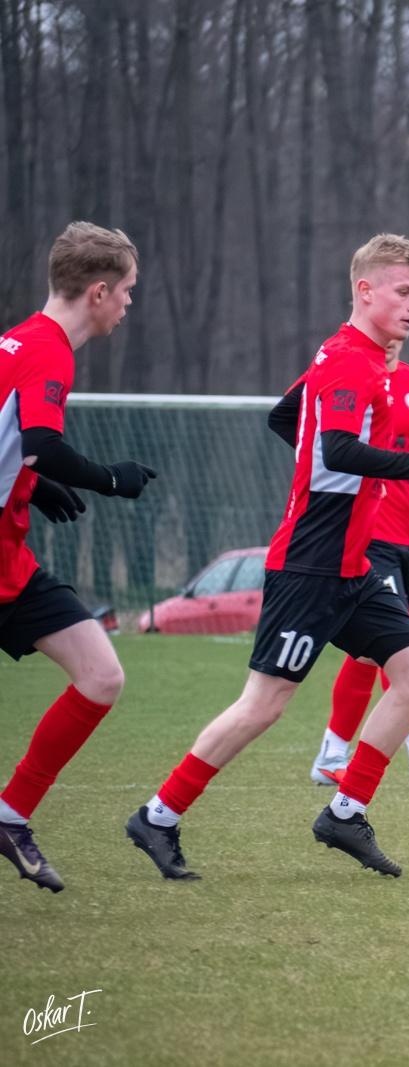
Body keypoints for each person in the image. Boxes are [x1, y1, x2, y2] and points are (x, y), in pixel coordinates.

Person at [125, 234, 409, 881]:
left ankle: (344, 812)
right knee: (262, 705)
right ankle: (159, 814)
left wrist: (317, 448)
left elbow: (292, 416)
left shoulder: (361, 362)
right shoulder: (348, 360)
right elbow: (339, 451)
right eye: (403, 291)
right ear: (365, 290)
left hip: (354, 567)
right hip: (311, 564)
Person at [0, 221, 157, 893]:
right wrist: (107, 477)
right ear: (97, 291)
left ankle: (10, 816)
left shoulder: (17, 340)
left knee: (100, 673)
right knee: (101, 675)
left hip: (10, 555)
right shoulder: (49, 352)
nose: (128, 304)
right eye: (126, 291)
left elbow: (20, 444)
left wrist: (34, 486)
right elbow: (40, 435)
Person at [269, 338, 409, 788]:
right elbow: (293, 421)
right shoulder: (344, 368)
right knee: (392, 647)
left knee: (372, 653)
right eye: (401, 297)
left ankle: (332, 753)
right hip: (368, 534)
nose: (406, 316)